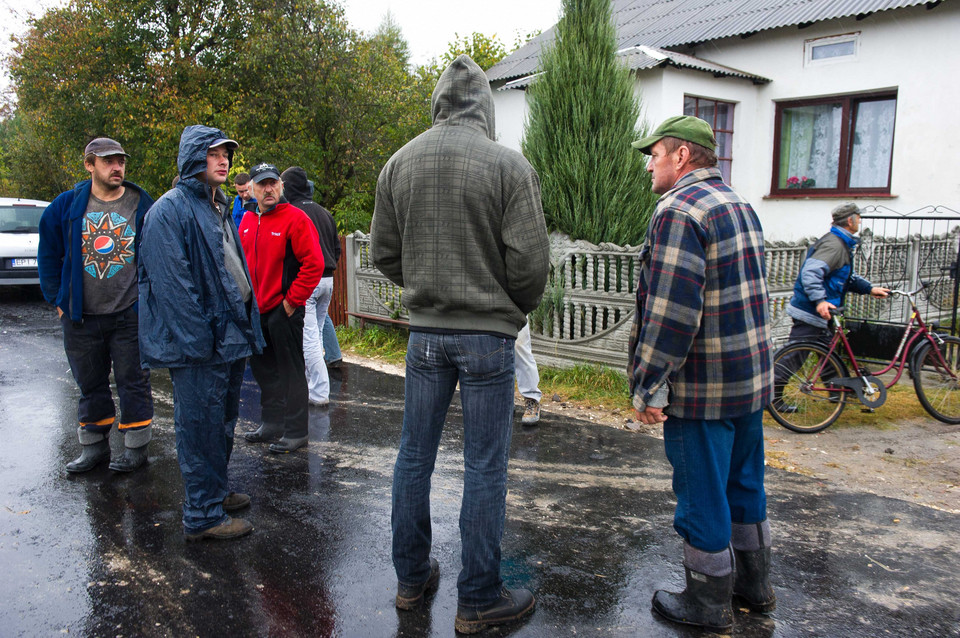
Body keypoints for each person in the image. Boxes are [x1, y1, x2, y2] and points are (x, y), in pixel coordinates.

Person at [371, 55, 550, 635]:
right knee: (484, 465)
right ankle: (476, 599)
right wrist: (508, 310)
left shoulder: (400, 163)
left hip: (425, 336)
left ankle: (409, 579)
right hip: (488, 339)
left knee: (414, 456)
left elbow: (384, 255)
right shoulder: (508, 166)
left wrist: (425, 291)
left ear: (438, 102)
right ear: (486, 108)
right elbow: (530, 264)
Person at [628, 115, 775, 632]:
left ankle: (708, 605)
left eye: (655, 154)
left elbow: (671, 313)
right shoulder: (739, 204)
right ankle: (754, 588)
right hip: (750, 380)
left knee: (702, 494)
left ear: (682, 156)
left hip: (704, 388)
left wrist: (648, 384)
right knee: (744, 484)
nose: (649, 164)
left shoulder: (679, 211)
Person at [138, 125, 265, 542]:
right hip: (201, 346)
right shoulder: (168, 211)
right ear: (194, 158)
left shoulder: (218, 206)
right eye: (213, 153)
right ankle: (202, 514)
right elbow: (174, 289)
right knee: (198, 426)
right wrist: (199, 345)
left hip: (227, 337)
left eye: (227, 153)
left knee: (223, 422)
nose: (223, 160)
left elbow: (232, 273)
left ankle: (215, 493)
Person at [38, 137, 155, 474]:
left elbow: (157, 255)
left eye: (120, 160)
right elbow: (48, 254)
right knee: (90, 383)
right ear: (89, 165)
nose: (117, 167)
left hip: (128, 314)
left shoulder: (140, 203)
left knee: (134, 381)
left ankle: (136, 449)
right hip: (80, 316)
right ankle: (94, 449)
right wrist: (58, 301)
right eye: (108, 161)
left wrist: (147, 304)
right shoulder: (66, 205)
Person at [239, 163, 324, 454]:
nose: (268, 189)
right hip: (256, 310)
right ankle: (272, 423)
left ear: (281, 186)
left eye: (273, 183)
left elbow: (314, 264)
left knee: (290, 371)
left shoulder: (295, 219)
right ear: (252, 189)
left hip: (283, 310)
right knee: (264, 370)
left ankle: (297, 431)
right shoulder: (248, 221)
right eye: (262, 184)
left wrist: (291, 302)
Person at [786, 203, 889, 343]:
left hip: (822, 314)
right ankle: (778, 366)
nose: (860, 221)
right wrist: (820, 301)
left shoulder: (841, 242)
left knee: (831, 361)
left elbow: (844, 277)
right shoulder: (834, 245)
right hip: (811, 313)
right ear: (850, 221)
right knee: (791, 361)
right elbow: (810, 273)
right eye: (858, 217)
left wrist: (869, 289)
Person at [280, 166, 340, 407]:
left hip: (308, 281)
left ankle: (318, 393)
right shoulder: (324, 212)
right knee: (314, 331)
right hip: (328, 280)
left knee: (309, 338)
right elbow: (336, 248)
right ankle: (312, 386)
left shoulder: (292, 213)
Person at [515, 323, 543, 425]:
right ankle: (504, 399)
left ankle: (531, 398)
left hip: (516, 308)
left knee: (519, 345)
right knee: (493, 346)